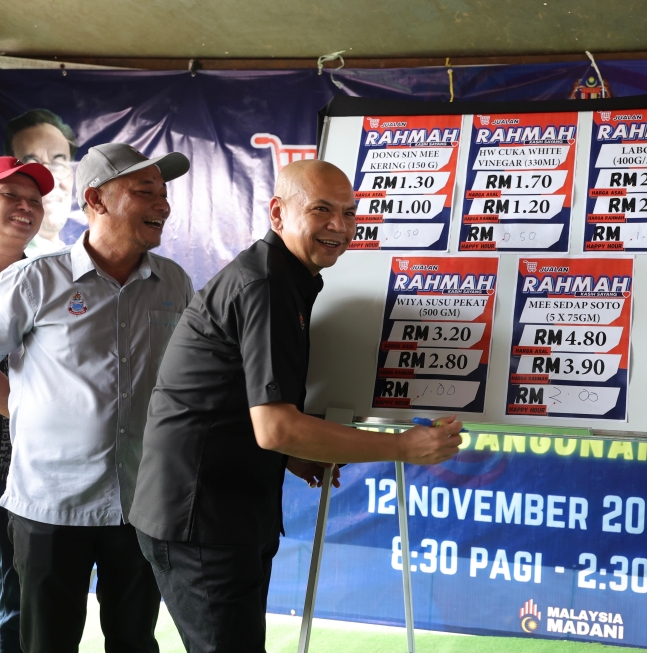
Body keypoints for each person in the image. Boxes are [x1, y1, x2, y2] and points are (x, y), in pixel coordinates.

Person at [130, 159, 462, 652]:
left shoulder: (285, 277)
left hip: (224, 509)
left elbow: (231, 399)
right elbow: (277, 428)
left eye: (349, 213)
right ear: (278, 213)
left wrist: (291, 454)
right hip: (201, 518)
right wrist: (403, 447)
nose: (339, 225)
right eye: (321, 210)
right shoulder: (265, 283)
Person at [0, 143, 195, 653]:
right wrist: (18, 405)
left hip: (141, 503)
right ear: (96, 199)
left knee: (134, 641)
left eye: (164, 192)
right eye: (145, 191)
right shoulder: (34, 280)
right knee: (47, 643)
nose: (162, 204)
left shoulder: (174, 282)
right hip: (50, 504)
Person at [0, 156, 53, 653]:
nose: (25, 207)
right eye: (10, 196)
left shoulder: (43, 276)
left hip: (25, 463)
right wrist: (25, 408)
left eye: (34, 200)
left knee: (17, 597)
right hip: (22, 434)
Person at [3, 109, 83, 255]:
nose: (51, 181)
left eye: (58, 164)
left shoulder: (76, 258)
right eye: (32, 165)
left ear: (72, 177)